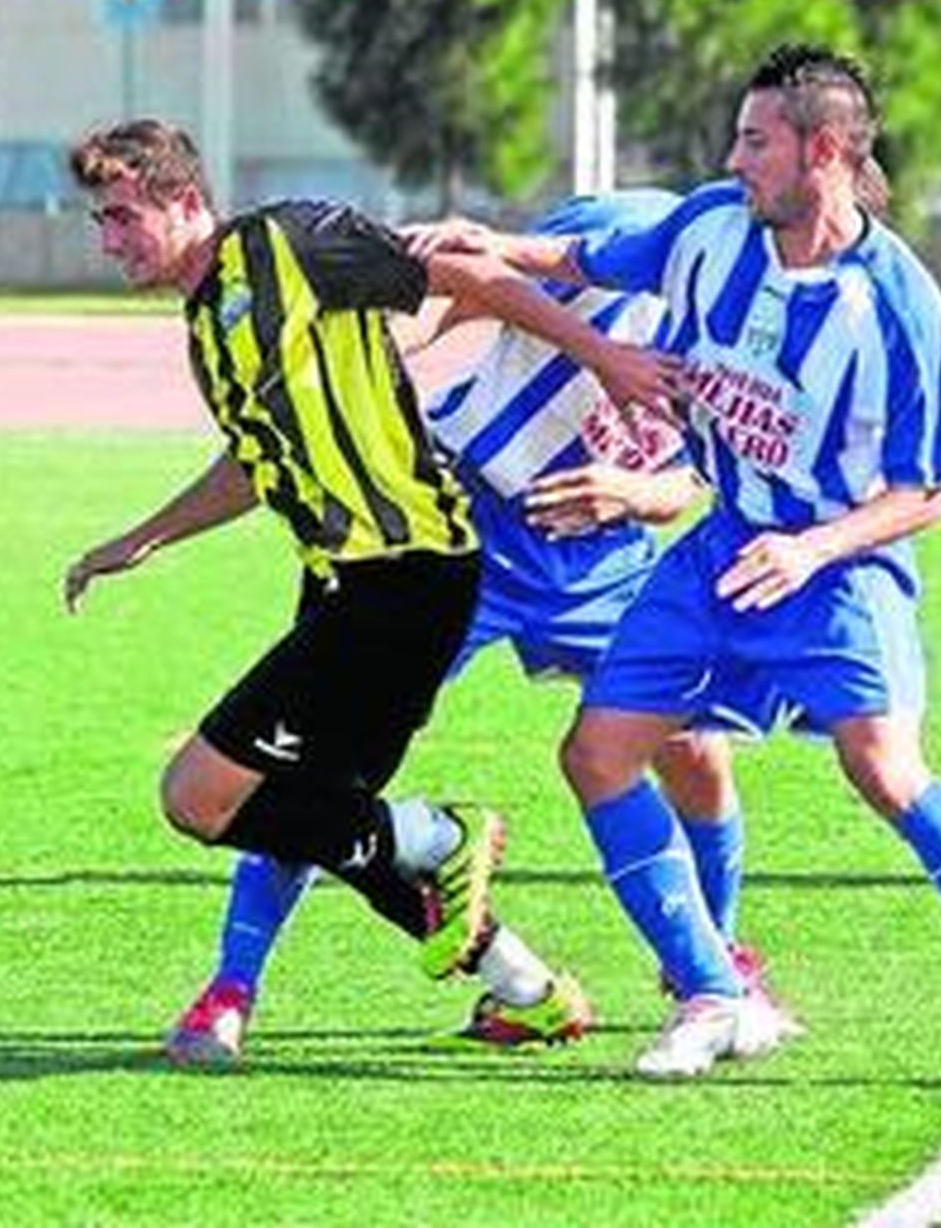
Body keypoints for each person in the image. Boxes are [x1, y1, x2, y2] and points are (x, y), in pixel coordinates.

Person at [408, 44, 941, 1094]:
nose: (734, 160)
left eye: (755, 141)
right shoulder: (711, 229)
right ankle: (711, 992)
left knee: (885, 771)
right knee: (599, 752)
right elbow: (597, 257)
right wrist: (493, 242)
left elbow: (928, 490)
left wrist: (810, 547)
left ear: (822, 151)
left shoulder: (897, 305)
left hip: (837, 565)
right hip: (719, 552)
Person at [63, 121, 676, 1052]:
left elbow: (467, 277)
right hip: (347, 585)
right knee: (325, 818)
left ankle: (440, 834)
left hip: (406, 576)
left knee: (198, 796)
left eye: (122, 217)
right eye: (100, 222)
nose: (109, 240)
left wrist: (600, 354)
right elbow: (256, 462)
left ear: (185, 200)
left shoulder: (288, 241)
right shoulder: (209, 323)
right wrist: (142, 539)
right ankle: (528, 986)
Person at [165, 189, 787, 1068]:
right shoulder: (622, 230)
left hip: (602, 560)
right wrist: (372, 352)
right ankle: (233, 984)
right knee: (317, 764)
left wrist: (635, 492)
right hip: (468, 522)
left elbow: (702, 477)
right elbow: (468, 284)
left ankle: (711, 964)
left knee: (692, 751)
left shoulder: (773, 326)